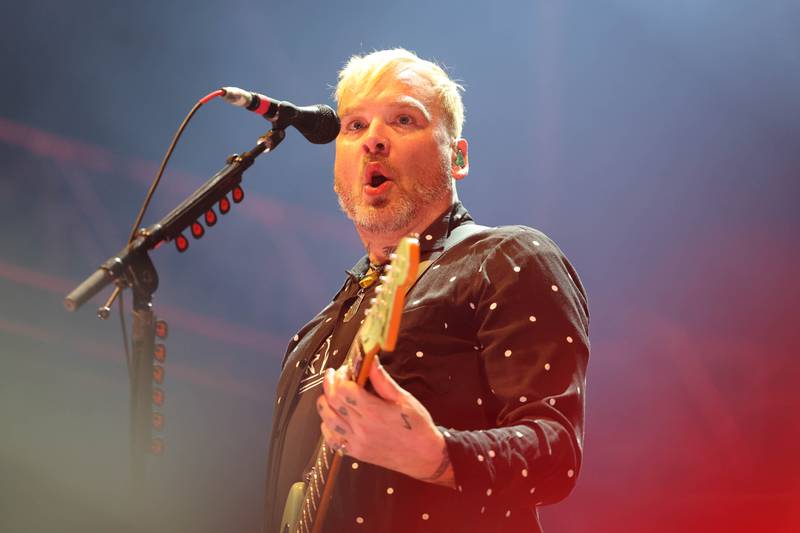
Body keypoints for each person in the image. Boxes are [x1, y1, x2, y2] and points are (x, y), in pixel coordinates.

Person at [262, 48, 589, 532]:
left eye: (403, 119)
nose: (373, 139)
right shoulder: (310, 339)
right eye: (354, 126)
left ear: (457, 157)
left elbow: (555, 454)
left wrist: (437, 455)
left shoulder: (506, 258)